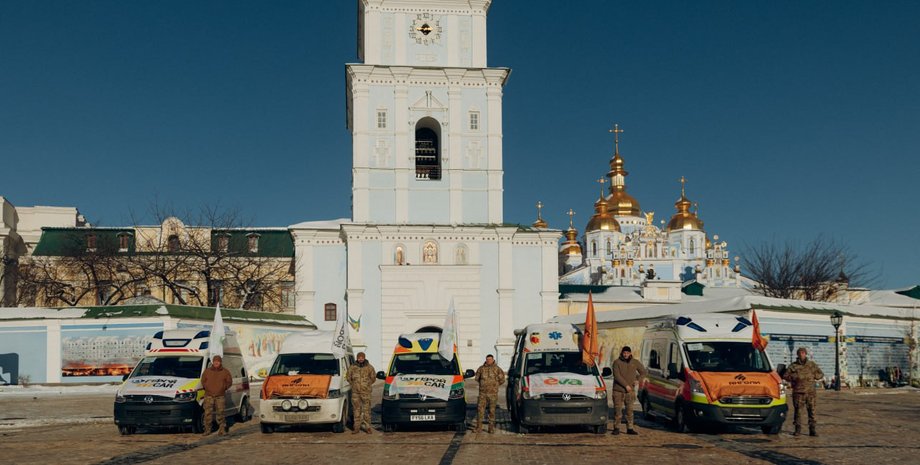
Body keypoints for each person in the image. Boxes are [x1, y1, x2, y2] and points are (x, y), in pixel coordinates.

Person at [783, 347, 824, 436]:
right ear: (797, 355)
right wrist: (793, 377)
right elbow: (785, 375)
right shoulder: (793, 366)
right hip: (798, 393)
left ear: (805, 354)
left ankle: (812, 430)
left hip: (810, 393)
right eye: (800, 353)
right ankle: (797, 429)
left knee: (812, 411)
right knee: (798, 412)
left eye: (803, 353)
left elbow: (821, 374)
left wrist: (815, 376)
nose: (801, 354)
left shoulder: (812, 364)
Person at [611, 346, 647, 435]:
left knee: (630, 411)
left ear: (630, 353)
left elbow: (643, 372)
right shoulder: (617, 362)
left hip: (630, 391)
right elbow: (617, 376)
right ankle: (616, 428)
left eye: (627, 353)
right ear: (622, 353)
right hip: (618, 391)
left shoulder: (635, 362)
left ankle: (630, 428)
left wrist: (638, 380)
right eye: (624, 353)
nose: (626, 354)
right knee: (617, 410)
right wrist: (626, 385)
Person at [200, 355, 232, 436]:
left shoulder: (225, 372)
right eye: (215, 361)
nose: (216, 363)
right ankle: (207, 430)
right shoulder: (207, 371)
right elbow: (203, 381)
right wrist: (206, 387)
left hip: (220, 396)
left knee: (221, 413)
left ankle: (222, 430)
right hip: (208, 396)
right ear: (212, 362)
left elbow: (229, 382)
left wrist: (223, 387)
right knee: (207, 414)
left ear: (220, 362)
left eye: (218, 361)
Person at [473, 354, 505, 433]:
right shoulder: (481, 369)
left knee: (492, 411)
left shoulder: (497, 369)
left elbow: (502, 380)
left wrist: (495, 385)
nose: (488, 361)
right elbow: (477, 378)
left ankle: (491, 428)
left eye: (490, 359)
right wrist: (483, 385)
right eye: (487, 359)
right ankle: (478, 428)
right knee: (480, 411)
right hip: (482, 394)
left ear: (493, 360)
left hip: (493, 394)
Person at [346, 352, 376, 434]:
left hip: (366, 393)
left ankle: (368, 427)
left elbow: (373, 378)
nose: (360, 359)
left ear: (364, 358)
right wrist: (353, 385)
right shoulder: (352, 367)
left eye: (362, 357)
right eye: (359, 357)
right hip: (355, 393)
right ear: (357, 358)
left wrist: (367, 385)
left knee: (367, 410)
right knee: (356, 410)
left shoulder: (369, 367)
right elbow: (348, 377)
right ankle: (356, 428)